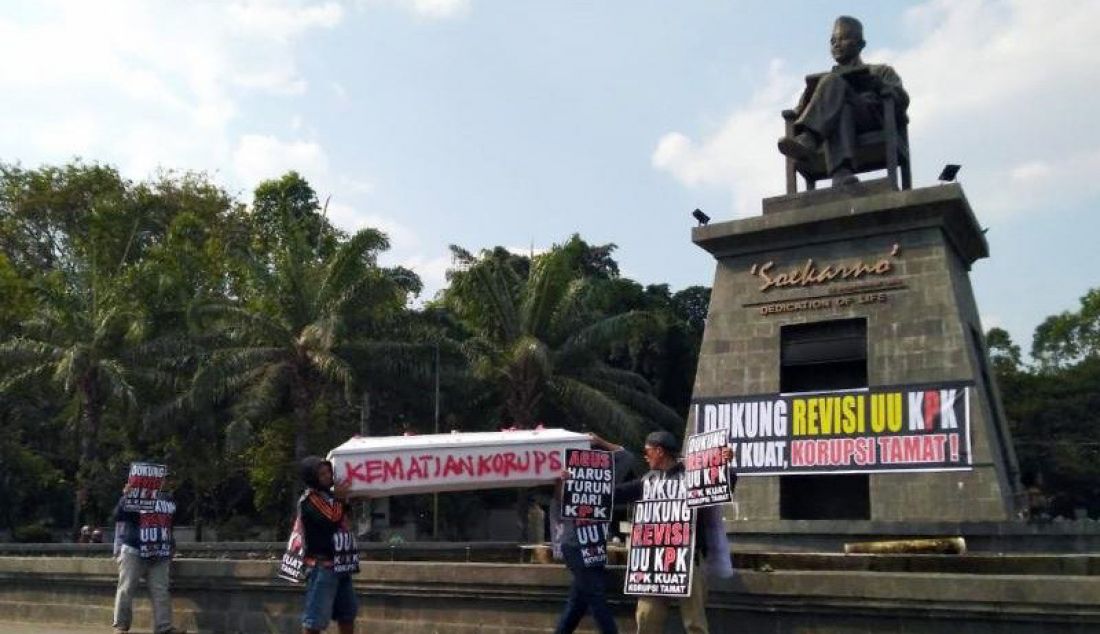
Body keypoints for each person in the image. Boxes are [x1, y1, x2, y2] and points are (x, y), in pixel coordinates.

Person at [616, 431, 735, 634]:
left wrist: (724, 465)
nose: (645, 456)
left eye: (648, 451)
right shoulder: (648, 481)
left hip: (688, 562)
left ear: (659, 451)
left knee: (695, 623)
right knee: (646, 618)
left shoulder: (693, 478)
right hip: (653, 564)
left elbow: (725, 484)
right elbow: (618, 494)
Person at [777, 15, 909, 186]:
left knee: (833, 81)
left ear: (861, 44)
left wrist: (878, 85)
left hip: (870, 120)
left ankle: (810, 139)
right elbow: (799, 110)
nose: (837, 44)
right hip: (838, 123)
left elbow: (902, 100)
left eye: (844, 38)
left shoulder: (880, 71)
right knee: (841, 106)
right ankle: (841, 172)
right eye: (833, 41)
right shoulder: (822, 83)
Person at [551, 433, 633, 634]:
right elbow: (561, 501)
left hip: (595, 546)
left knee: (577, 604)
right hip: (576, 546)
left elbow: (627, 456)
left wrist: (601, 442)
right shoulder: (567, 477)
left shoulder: (607, 479)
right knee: (596, 598)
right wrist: (561, 481)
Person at [112, 476, 186, 634]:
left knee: (161, 590)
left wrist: (171, 545)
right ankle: (120, 627)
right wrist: (126, 496)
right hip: (134, 550)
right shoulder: (136, 497)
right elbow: (119, 516)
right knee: (126, 589)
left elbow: (169, 525)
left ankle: (164, 627)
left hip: (159, 552)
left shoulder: (169, 501)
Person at [298, 456, 360, 634]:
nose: (327, 476)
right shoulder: (311, 499)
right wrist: (341, 499)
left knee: (347, 615)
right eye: (322, 474)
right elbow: (332, 518)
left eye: (328, 472)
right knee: (315, 619)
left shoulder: (331, 497)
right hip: (322, 566)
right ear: (312, 478)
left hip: (341, 564)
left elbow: (341, 514)